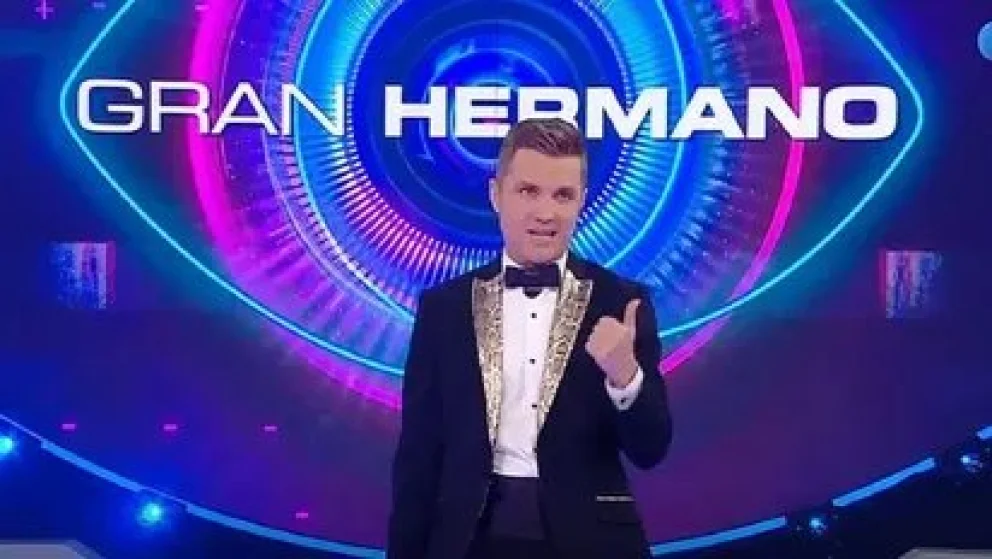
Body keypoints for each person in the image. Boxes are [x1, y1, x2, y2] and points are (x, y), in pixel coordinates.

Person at [387, 118, 673, 559]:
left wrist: (625, 376)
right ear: (496, 194)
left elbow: (651, 449)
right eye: (528, 191)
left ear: (581, 200)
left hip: (590, 543)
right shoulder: (445, 308)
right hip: (467, 543)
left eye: (563, 195)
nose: (545, 213)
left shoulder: (622, 303)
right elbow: (418, 458)